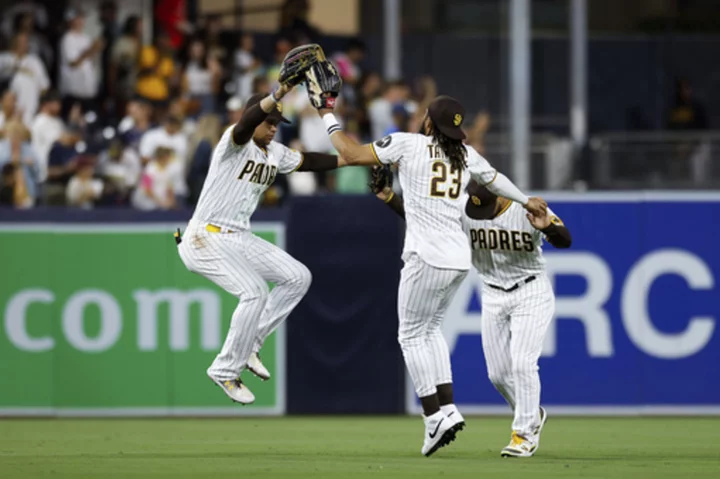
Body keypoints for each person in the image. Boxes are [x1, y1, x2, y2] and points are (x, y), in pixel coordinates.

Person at [306, 59, 547, 457]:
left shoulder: (408, 143)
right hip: (457, 258)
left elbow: (348, 153)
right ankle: (446, 407)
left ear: (429, 124)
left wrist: (326, 112)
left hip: (426, 255)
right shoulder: (465, 156)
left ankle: (434, 415)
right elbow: (494, 179)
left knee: (409, 334)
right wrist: (526, 198)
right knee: (430, 329)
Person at [372, 168, 572, 457]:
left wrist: (548, 227)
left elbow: (565, 240)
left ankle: (523, 435)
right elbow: (424, 223)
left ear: (502, 196)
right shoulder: (466, 211)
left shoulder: (525, 207)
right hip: (492, 293)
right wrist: (390, 197)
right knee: (498, 374)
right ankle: (531, 413)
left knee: (522, 363)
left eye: (489, 208)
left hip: (531, 291)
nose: (483, 215)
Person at [176, 79, 353, 405]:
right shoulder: (234, 142)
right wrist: (279, 92)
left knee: (298, 277)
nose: (273, 128)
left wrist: (353, 158)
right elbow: (245, 125)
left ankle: (251, 346)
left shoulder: (274, 152)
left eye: (277, 124)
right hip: (204, 236)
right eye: (268, 122)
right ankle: (225, 369)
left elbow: (309, 162)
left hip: (238, 237)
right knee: (254, 290)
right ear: (254, 117)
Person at [59, 8, 103, 118]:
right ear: (71, 20)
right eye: (78, 18)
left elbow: (90, 61)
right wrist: (92, 49)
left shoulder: (86, 38)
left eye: (82, 18)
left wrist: (96, 49)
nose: (81, 21)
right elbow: (73, 62)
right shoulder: (68, 38)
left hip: (88, 91)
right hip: (73, 92)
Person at [0, 32, 50, 127]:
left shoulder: (35, 61)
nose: (23, 45)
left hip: (29, 107)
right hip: (6, 107)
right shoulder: (3, 58)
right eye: (20, 42)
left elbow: (44, 86)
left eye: (25, 42)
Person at [132, 146, 185, 210]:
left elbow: (170, 187)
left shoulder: (169, 169)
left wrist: (172, 201)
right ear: (163, 157)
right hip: (146, 199)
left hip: (160, 198)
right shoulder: (149, 169)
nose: (170, 158)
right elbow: (147, 189)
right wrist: (159, 202)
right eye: (168, 157)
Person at [110, 16, 143, 115]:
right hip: (124, 84)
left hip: (139, 84)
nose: (142, 29)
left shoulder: (140, 43)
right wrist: (111, 85)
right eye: (140, 26)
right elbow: (113, 65)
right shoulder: (122, 43)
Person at [0, 119, 37, 205]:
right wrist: (11, 161)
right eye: (13, 133)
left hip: (26, 187)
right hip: (4, 187)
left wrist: (26, 163)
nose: (15, 137)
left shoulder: (29, 149)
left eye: (18, 133)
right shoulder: (1, 148)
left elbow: (37, 172)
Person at [182, 39, 222, 117]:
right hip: (192, 96)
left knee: (206, 119)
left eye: (199, 50)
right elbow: (185, 82)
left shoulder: (209, 63)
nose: (197, 52)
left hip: (206, 96)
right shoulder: (188, 64)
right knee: (192, 120)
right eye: (194, 50)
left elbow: (218, 75)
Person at [31, 90, 65, 183]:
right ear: (46, 104)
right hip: (44, 171)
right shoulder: (40, 121)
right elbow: (61, 140)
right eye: (56, 103)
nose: (59, 106)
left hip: (58, 168)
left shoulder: (57, 121)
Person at [234, 33, 261, 101]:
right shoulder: (238, 54)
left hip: (251, 87)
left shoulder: (250, 55)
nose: (251, 44)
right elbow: (242, 69)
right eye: (249, 42)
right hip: (242, 88)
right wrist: (254, 65)